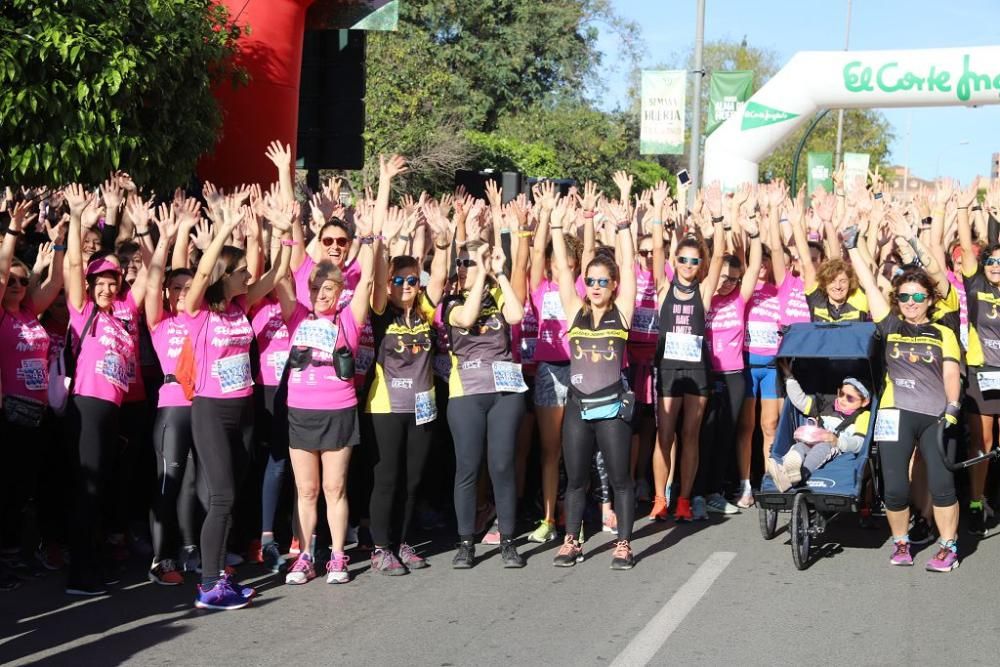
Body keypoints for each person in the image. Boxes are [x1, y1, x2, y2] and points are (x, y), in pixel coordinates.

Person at [184, 191, 292, 609]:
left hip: (243, 409)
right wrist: (226, 228)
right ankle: (210, 584)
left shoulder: (241, 307)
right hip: (211, 410)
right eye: (241, 271)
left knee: (232, 495)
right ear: (224, 275)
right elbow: (203, 272)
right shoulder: (198, 310)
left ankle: (220, 576)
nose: (248, 276)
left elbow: (278, 272)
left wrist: (283, 236)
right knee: (222, 496)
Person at [847, 226, 961, 572]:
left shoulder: (944, 331)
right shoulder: (891, 324)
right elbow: (868, 284)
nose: (910, 304)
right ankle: (901, 543)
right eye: (904, 298)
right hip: (896, 412)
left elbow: (952, 373)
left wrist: (953, 408)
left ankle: (948, 547)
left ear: (930, 299)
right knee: (895, 489)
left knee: (942, 485)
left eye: (917, 297)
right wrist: (853, 247)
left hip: (936, 415)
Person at [365, 160, 452, 574]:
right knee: (388, 478)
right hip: (385, 407)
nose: (405, 286)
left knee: (413, 480)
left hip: (423, 406)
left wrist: (445, 238)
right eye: (398, 280)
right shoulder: (381, 310)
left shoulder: (425, 308)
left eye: (411, 280)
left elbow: (442, 273)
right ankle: (380, 547)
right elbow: (378, 256)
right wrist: (384, 185)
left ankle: (403, 541)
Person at [548, 194, 638, 569]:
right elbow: (563, 274)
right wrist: (555, 225)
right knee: (575, 479)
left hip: (613, 408)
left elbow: (631, 268)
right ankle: (572, 540)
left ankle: (624, 544)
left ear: (614, 285)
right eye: (592, 280)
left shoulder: (623, 312)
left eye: (604, 281)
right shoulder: (574, 311)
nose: (596, 286)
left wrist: (623, 228)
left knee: (620, 480)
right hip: (578, 407)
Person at [62, 184, 138, 595]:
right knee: (87, 490)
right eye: (100, 283)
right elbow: (75, 266)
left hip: (112, 410)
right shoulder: (84, 311)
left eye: (112, 283)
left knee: (102, 487)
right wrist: (76, 218)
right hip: (88, 407)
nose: (107, 288)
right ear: (90, 287)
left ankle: (93, 561)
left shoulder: (120, 318)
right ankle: (79, 573)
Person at [444, 238, 526, 569]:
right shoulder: (450, 299)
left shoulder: (496, 291)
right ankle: (466, 543)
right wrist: (478, 275)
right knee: (467, 467)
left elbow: (516, 315)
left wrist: (500, 273)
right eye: (461, 262)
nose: (463, 267)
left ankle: (507, 541)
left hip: (504, 392)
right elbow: (466, 318)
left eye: (470, 262)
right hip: (466, 392)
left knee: (502, 466)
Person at [651, 183, 725, 522]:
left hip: (697, 372)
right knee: (665, 434)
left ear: (700, 265)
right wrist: (660, 216)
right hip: (667, 369)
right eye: (682, 259)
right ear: (675, 261)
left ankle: (683, 497)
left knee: (690, 435)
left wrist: (720, 220)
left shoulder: (704, 291)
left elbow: (720, 255)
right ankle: (659, 497)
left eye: (694, 261)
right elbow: (657, 251)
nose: (687, 264)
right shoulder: (664, 287)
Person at [0, 200, 63, 586]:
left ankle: (17, 554)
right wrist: (13, 231)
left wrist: (58, 246)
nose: (19, 286)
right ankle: (5, 560)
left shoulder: (28, 313)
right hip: (9, 414)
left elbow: (54, 285)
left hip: (37, 415)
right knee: (6, 491)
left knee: (25, 490)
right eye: (12, 281)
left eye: (24, 282)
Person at [144, 203, 202, 585]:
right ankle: (160, 559)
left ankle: (189, 549)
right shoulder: (159, 321)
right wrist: (166, 239)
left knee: (196, 484)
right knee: (170, 480)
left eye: (188, 287)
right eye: (176, 288)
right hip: (172, 409)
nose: (182, 293)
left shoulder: (202, 319)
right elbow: (152, 284)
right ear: (167, 293)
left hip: (204, 408)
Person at [700, 195, 762, 515]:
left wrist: (754, 235)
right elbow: (713, 263)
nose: (727, 283)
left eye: (733, 280)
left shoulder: (740, 298)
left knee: (726, 433)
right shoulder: (707, 295)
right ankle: (697, 491)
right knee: (704, 433)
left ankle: (717, 490)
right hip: (706, 374)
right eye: (723, 277)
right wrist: (718, 222)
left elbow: (753, 266)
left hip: (736, 374)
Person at [955, 184, 1000, 536]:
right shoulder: (975, 287)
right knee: (981, 442)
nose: (996, 265)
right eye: (991, 261)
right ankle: (975, 500)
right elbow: (970, 254)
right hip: (982, 371)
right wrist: (961, 211)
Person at [766, 372, 871, 492]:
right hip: (812, 441)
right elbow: (801, 401)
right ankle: (790, 467)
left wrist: (837, 441)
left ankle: (799, 476)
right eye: (841, 394)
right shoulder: (826, 405)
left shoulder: (863, 416)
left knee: (823, 447)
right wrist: (789, 378)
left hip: (835, 447)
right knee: (800, 446)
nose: (843, 400)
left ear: (864, 402)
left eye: (850, 398)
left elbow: (859, 443)